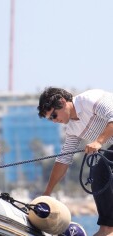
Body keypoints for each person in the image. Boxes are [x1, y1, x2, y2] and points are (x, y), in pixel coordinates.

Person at [37, 87, 113, 236]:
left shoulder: (90, 99)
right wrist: (47, 193)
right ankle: (108, 227)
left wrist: (98, 142)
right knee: (99, 173)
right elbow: (63, 159)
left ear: (62, 101)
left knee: (100, 171)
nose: (54, 121)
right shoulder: (72, 129)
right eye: (50, 119)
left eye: (53, 115)